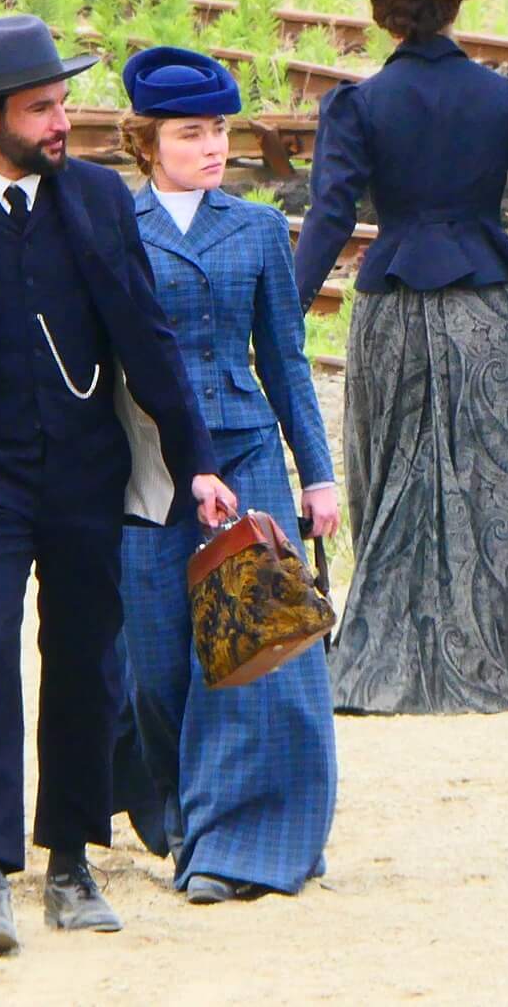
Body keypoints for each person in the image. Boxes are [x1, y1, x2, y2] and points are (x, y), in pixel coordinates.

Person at [0, 14, 234, 956]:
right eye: (41, 108)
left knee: (83, 658)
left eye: (64, 103)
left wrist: (197, 466)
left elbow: (148, 338)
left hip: (81, 465)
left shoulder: (100, 200)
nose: (63, 122)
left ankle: (71, 855)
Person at [294, 0, 508, 714]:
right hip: (484, 303)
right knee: (494, 478)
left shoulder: (359, 105)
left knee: (393, 478)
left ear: (384, 14)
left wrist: (286, 307)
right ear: (453, 10)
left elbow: (332, 213)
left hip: (395, 306)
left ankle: (390, 663)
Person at [115, 46, 340, 903]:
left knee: (252, 659)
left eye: (219, 131)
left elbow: (286, 361)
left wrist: (315, 476)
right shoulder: (113, 229)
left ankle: (237, 845)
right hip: (143, 469)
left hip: (246, 459)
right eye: (189, 132)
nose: (212, 147)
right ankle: (183, 824)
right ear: (147, 142)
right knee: (158, 661)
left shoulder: (252, 229)